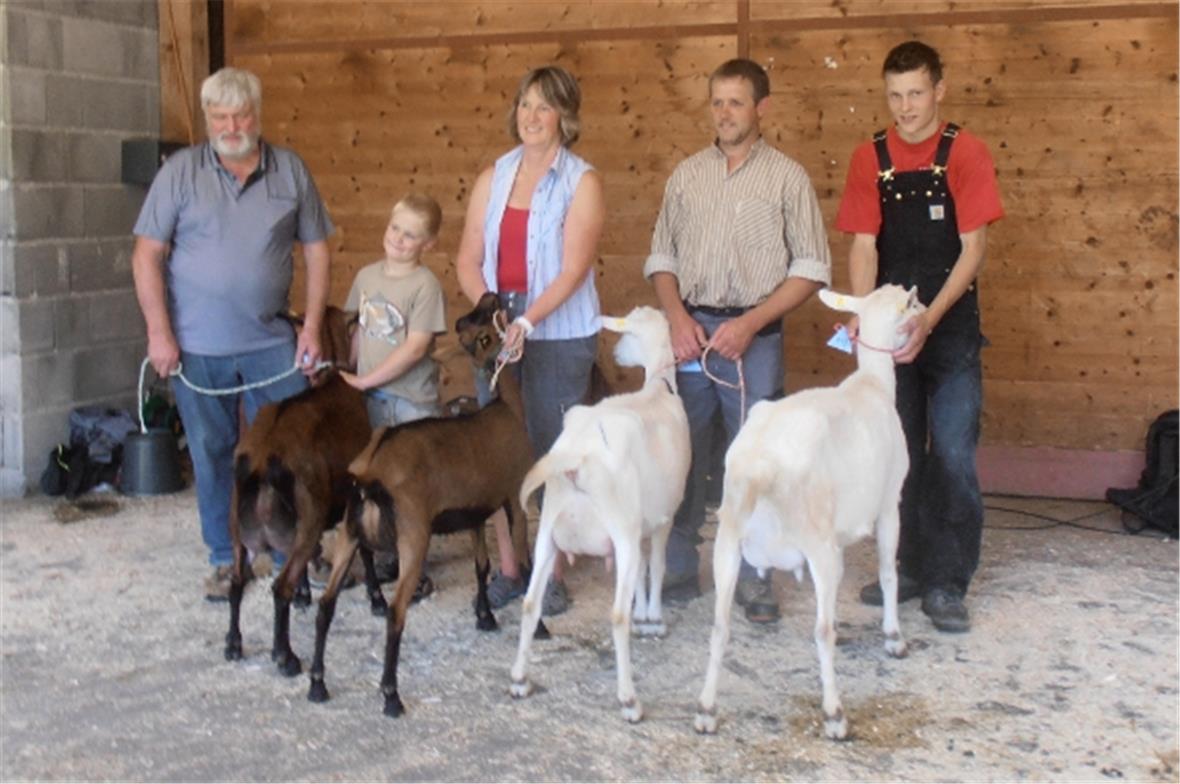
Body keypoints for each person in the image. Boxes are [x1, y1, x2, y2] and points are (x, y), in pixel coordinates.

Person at [131, 67, 334, 601]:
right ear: (207, 119)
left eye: (241, 114)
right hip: (197, 348)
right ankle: (227, 558)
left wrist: (311, 327)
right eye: (219, 116)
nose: (231, 125)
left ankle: (304, 549)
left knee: (296, 449)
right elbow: (146, 256)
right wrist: (159, 334)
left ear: (258, 114)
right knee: (213, 451)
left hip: (273, 343)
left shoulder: (289, 170)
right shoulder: (178, 173)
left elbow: (316, 249)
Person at [644, 58, 832, 623]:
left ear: (762, 108)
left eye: (736, 102)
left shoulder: (787, 178)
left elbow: (811, 266)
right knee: (684, 449)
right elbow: (661, 257)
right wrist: (677, 318)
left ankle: (755, 574)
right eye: (717, 101)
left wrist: (750, 324)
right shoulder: (686, 175)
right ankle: (679, 562)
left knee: (755, 458)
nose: (725, 113)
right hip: (694, 333)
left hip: (756, 335)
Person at [834, 41, 1004, 633]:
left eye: (916, 93)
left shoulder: (966, 153)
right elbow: (862, 245)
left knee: (953, 452)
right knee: (896, 449)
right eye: (895, 96)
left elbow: (973, 248)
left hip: (948, 327)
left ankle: (948, 581)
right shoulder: (870, 158)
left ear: (939, 89)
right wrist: (859, 314)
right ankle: (905, 568)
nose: (905, 107)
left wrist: (928, 319)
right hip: (888, 331)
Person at [455, 65, 606, 616]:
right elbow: (468, 259)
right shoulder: (493, 175)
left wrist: (527, 322)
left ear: (566, 116)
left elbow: (572, 271)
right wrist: (493, 314)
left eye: (544, 107)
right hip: (498, 321)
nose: (531, 117)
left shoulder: (581, 181)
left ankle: (552, 568)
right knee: (500, 446)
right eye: (525, 105)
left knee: (552, 450)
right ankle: (510, 565)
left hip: (559, 328)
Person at [339, 193, 448, 598]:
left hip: (410, 398)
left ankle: (413, 569)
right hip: (372, 395)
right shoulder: (367, 277)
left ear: (429, 245)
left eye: (412, 235)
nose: (399, 240)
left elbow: (416, 347)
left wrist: (367, 381)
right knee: (376, 480)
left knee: (411, 485)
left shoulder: (425, 285)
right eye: (396, 229)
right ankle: (385, 554)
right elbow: (359, 330)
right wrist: (350, 371)